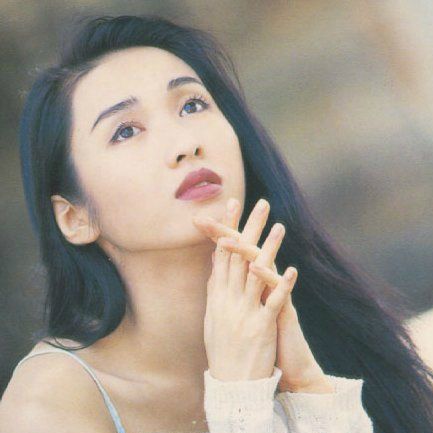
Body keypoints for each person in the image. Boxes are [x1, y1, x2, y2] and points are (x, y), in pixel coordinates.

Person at [0, 14, 432, 433]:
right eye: (126, 131)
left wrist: (307, 391)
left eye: (192, 105)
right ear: (75, 218)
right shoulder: (49, 403)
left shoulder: (319, 322)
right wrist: (240, 400)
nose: (185, 144)